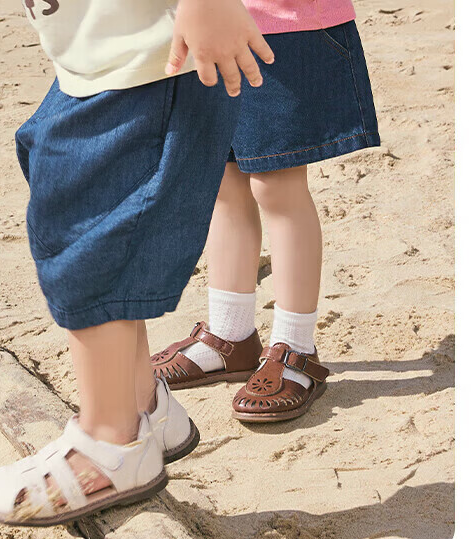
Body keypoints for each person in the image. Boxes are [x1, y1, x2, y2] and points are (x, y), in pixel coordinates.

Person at [0, 0, 274, 526]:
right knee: (83, 214)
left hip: (149, 62)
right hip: (102, 58)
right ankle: (143, 406)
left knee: (89, 241)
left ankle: (112, 442)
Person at [151, 0, 380, 422]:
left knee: (276, 187)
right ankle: (231, 336)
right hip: (204, 24)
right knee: (223, 180)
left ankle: (296, 346)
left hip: (281, 25)